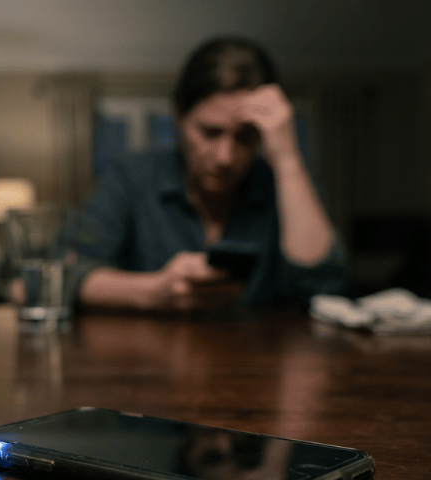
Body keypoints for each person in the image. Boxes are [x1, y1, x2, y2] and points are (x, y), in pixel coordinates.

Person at [70, 36, 348, 313]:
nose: (226, 157)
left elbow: (325, 286)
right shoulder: (130, 177)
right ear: (179, 114)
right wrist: (155, 291)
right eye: (209, 133)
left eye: (245, 138)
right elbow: (70, 273)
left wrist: (288, 159)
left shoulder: (287, 185)